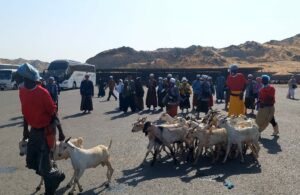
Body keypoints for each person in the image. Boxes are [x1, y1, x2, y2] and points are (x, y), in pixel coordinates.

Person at [16, 63, 65, 195]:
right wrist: (25, 129)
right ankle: (56, 174)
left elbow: (54, 113)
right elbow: (25, 112)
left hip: (46, 132)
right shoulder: (22, 91)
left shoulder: (43, 93)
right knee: (31, 161)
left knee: (44, 166)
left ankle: (51, 187)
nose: (18, 80)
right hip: (34, 131)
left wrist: (61, 131)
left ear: (27, 78)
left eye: (20, 77)